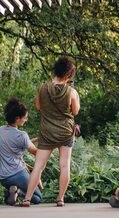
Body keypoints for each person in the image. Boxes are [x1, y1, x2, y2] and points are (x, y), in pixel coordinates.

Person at [23, 56, 80, 207]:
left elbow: (38, 106)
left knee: (38, 166)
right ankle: (60, 198)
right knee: (64, 165)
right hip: (65, 132)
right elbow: (75, 111)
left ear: (55, 70)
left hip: (47, 131)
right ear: (69, 74)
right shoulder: (71, 92)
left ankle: (27, 199)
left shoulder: (42, 88)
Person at [0, 98, 42, 205]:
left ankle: (11, 192)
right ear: (17, 119)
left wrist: (36, 139)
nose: (26, 119)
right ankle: (18, 191)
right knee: (37, 197)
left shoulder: (1, 130)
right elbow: (36, 152)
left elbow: (18, 143)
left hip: (3, 177)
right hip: (18, 173)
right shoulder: (22, 135)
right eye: (25, 117)